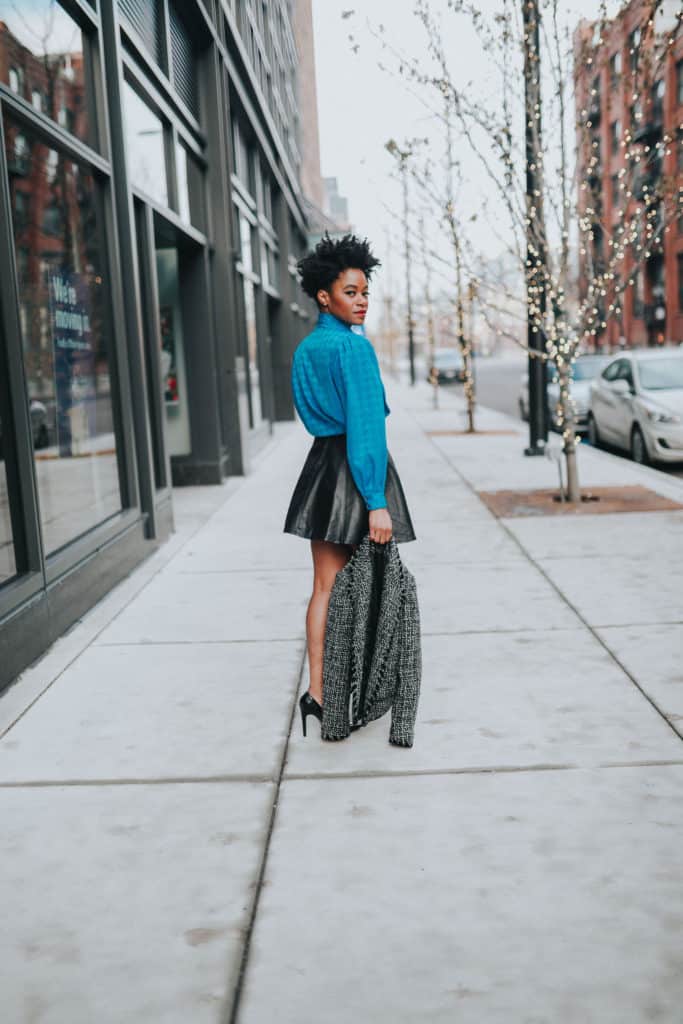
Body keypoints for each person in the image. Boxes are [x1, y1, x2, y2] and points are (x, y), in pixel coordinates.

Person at [283, 233, 416, 736]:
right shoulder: (353, 350)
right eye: (351, 292)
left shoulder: (305, 350)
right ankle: (347, 696)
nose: (361, 302)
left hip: (321, 469)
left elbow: (315, 418)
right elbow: (365, 430)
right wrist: (376, 500)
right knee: (369, 593)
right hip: (356, 475)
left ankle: (318, 695)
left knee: (324, 588)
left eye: (365, 293)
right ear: (324, 296)